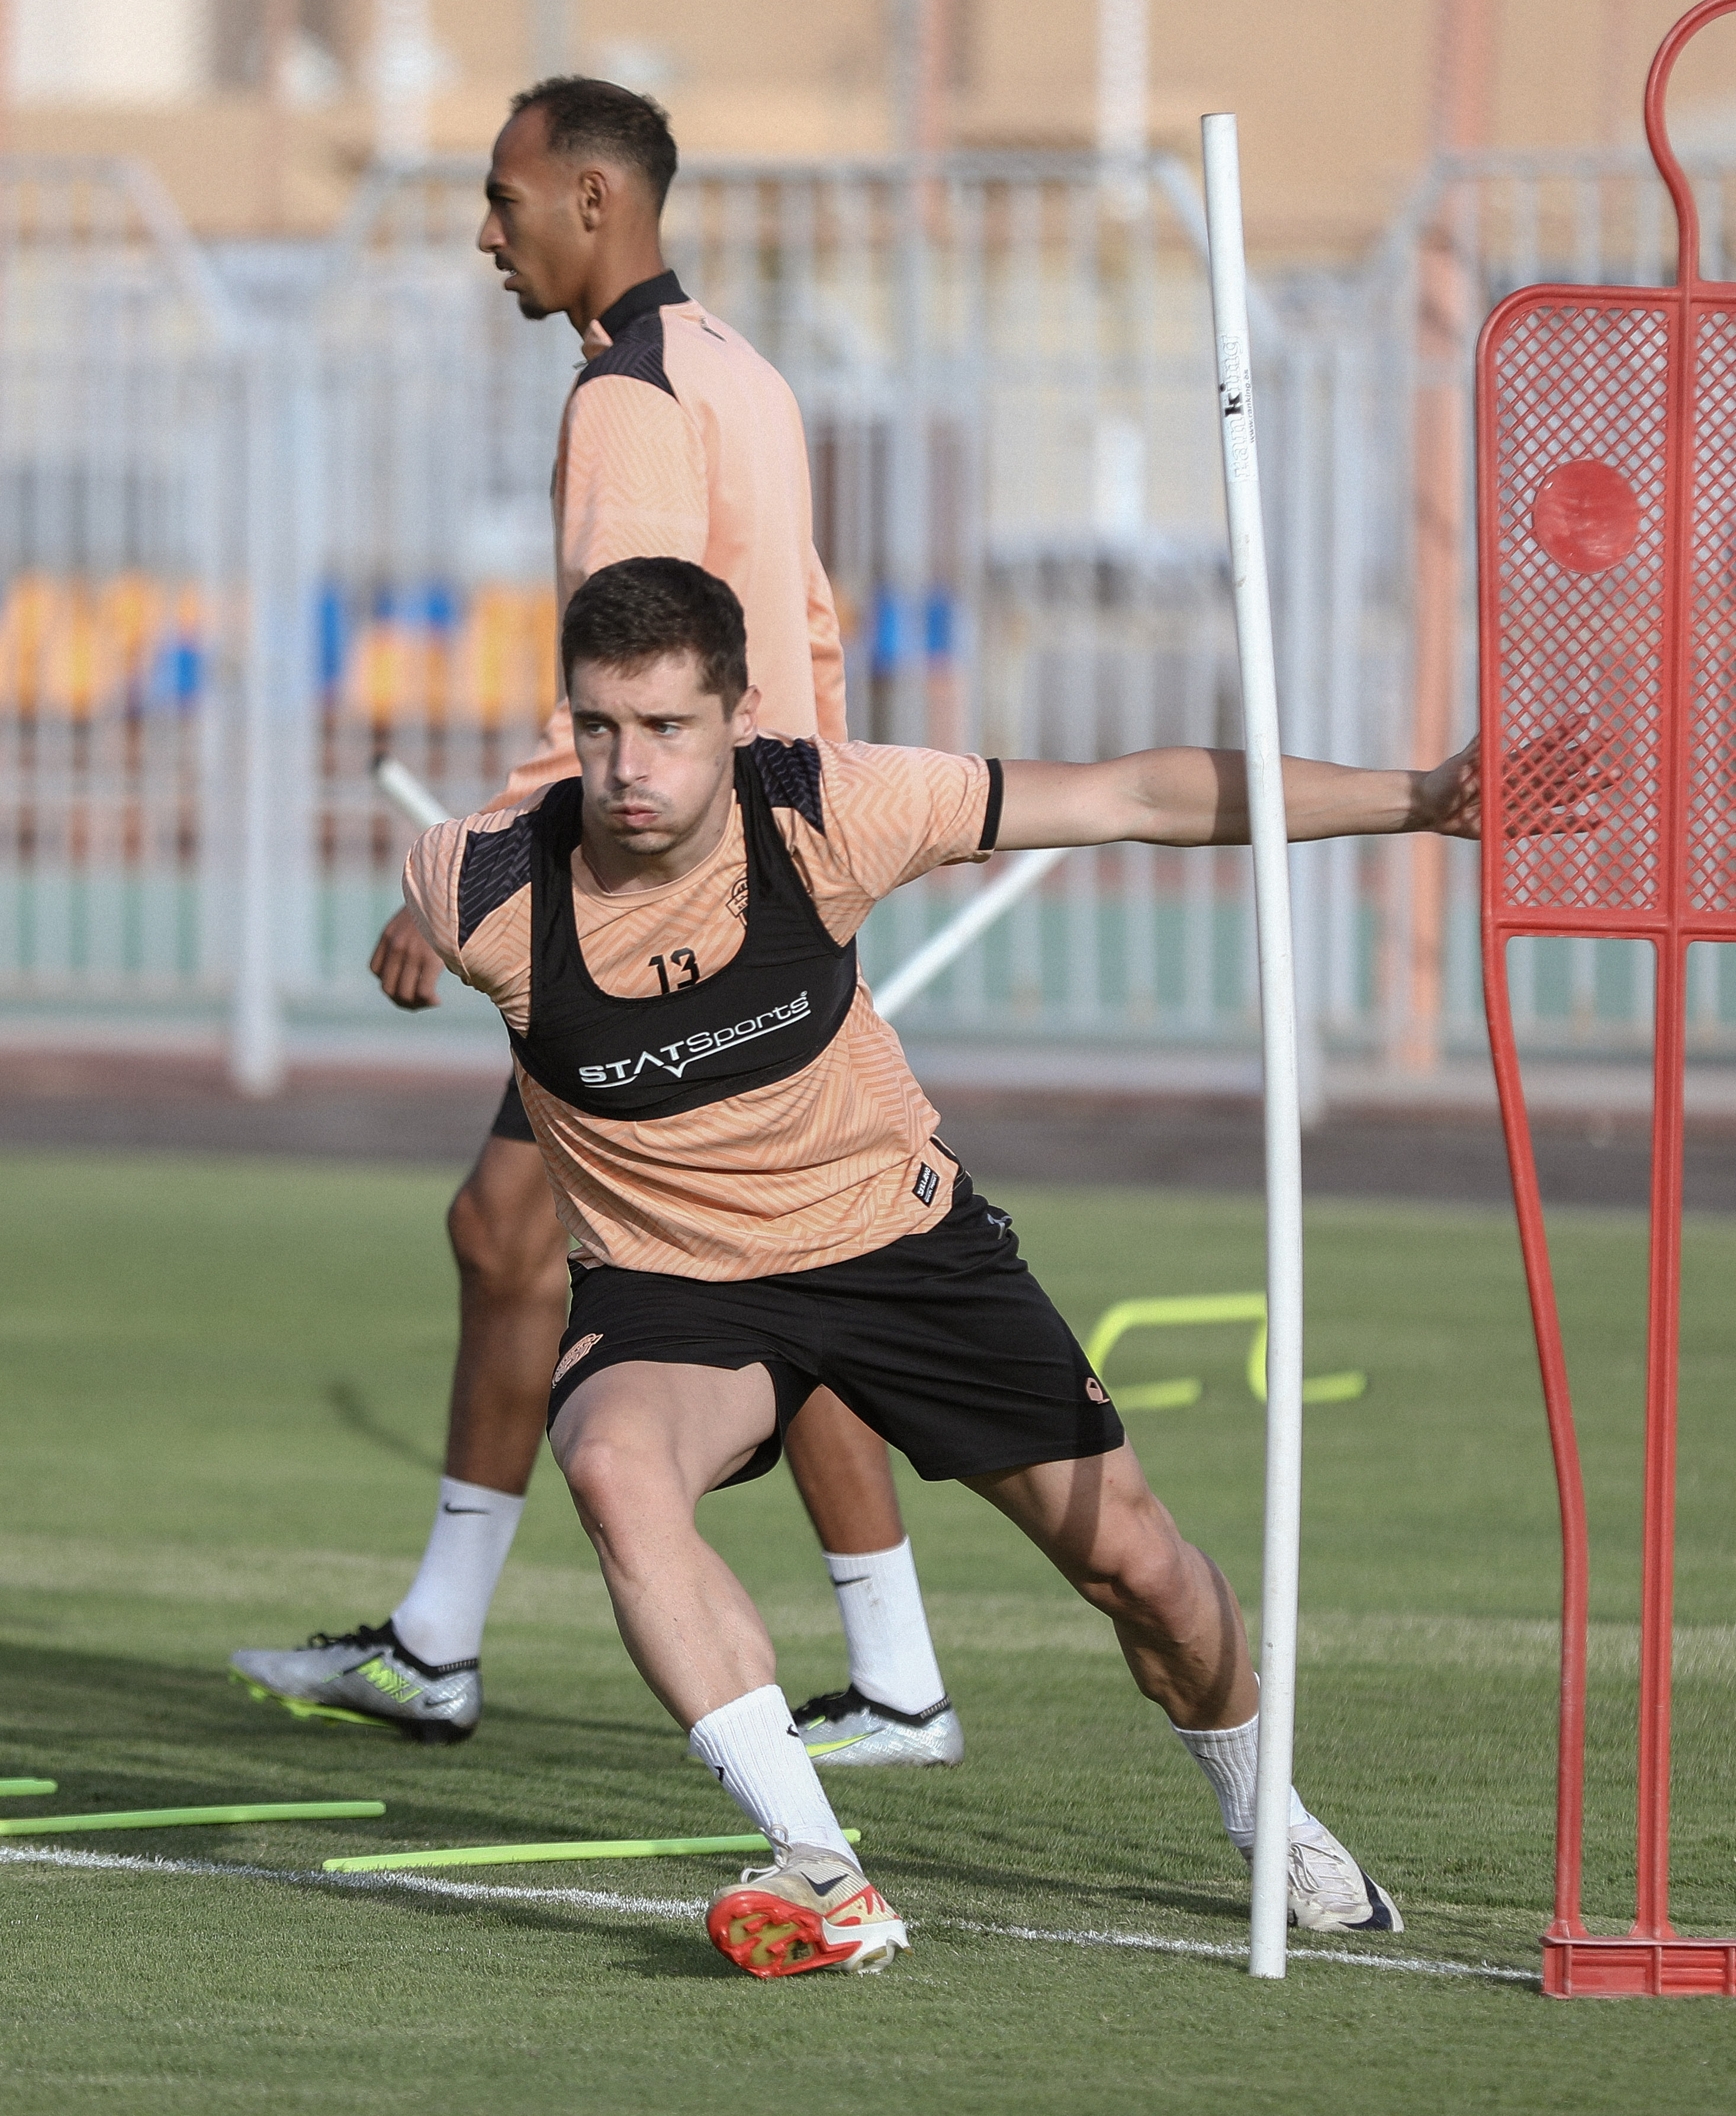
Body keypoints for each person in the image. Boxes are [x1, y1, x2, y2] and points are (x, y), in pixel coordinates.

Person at [401, 555, 1607, 1977]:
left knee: (1140, 1567)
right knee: (612, 1466)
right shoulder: (483, 884)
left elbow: (1135, 796)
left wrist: (1423, 798)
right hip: (679, 1285)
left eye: (667, 727)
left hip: (900, 1244)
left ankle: (1269, 1813)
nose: (627, 766)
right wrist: (420, 933)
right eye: (599, 726)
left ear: (735, 713)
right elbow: (434, 914)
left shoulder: (829, 806)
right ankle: (821, 1863)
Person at [232, 81, 962, 1767]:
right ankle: (446, 1638)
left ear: (588, 196)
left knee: (755, 1262)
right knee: (523, 1241)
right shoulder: (744, 370)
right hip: (747, 870)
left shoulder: (630, 398)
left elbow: (620, 694)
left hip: (647, 900)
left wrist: (474, 872)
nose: (482, 233)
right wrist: (823, 823)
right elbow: (809, 634)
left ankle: (881, 1675)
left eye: (499, 199)